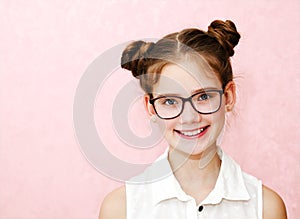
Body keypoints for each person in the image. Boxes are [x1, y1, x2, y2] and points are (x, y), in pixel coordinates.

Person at [99, 20, 287, 219]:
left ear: (229, 96)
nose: (189, 118)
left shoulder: (265, 208)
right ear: (151, 108)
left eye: (203, 97)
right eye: (170, 101)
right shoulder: (121, 209)